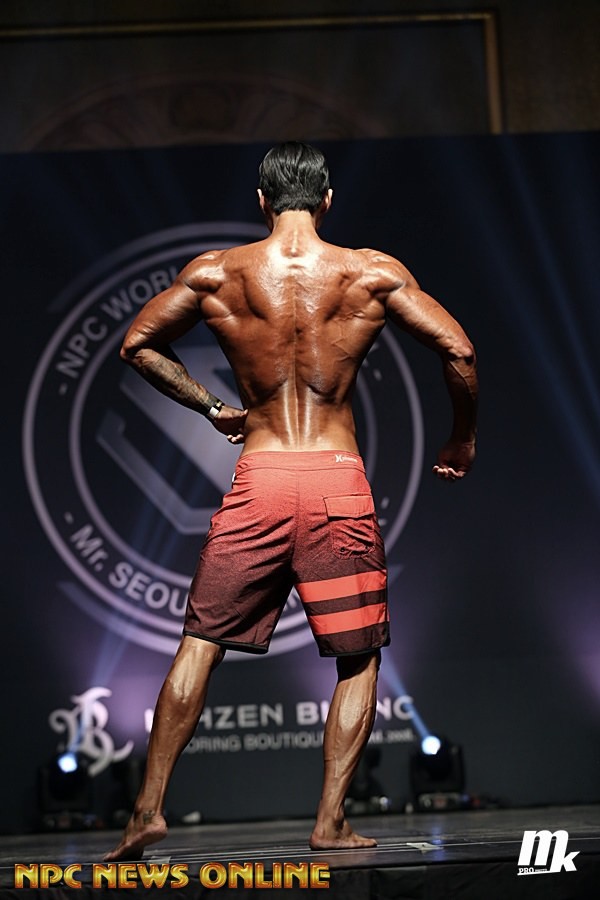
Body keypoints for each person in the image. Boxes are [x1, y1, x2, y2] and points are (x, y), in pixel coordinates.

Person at [104, 141, 477, 861]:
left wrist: (211, 407)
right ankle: (330, 821)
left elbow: (137, 345)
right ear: (328, 199)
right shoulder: (370, 272)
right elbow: (459, 350)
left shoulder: (217, 273)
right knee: (358, 657)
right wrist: (461, 439)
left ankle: (146, 811)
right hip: (336, 483)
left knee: (200, 644)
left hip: (261, 478)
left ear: (262, 200)